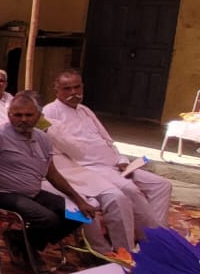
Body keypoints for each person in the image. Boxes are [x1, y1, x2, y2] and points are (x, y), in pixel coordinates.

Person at [43, 70, 172, 246]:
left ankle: (155, 231)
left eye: (77, 87)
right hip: (91, 167)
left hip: (115, 164)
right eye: (67, 89)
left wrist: (122, 159)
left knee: (162, 185)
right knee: (129, 190)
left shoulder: (84, 110)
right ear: (56, 89)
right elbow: (69, 149)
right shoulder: (50, 112)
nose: (74, 93)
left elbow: (107, 140)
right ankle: (154, 240)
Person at [0, 96, 97, 265]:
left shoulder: (42, 138)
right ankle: (26, 246)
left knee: (78, 215)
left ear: (38, 115)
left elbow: (52, 173)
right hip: (1, 193)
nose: (23, 119)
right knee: (48, 219)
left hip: (33, 193)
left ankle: (21, 240)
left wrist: (79, 200)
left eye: (28, 115)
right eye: (18, 115)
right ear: (9, 115)